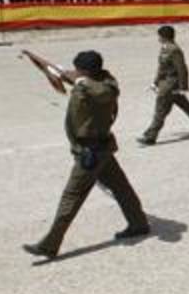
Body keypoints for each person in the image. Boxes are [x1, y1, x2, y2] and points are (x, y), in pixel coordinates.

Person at [23, 51, 149, 259]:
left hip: (91, 151)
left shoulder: (103, 87)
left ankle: (49, 244)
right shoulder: (95, 80)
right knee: (121, 187)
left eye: (79, 70)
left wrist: (79, 80)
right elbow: (75, 78)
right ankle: (138, 223)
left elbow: (99, 91)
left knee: (71, 197)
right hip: (102, 149)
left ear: (85, 71)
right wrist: (45, 65)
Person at [138, 26, 189, 144]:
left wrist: (184, 87)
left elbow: (182, 69)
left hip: (170, 85)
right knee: (186, 106)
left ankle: (150, 136)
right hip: (166, 83)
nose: (158, 38)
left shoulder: (174, 50)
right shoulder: (165, 48)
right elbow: (161, 69)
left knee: (160, 110)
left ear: (163, 37)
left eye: (159, 36)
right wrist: (155, 82)